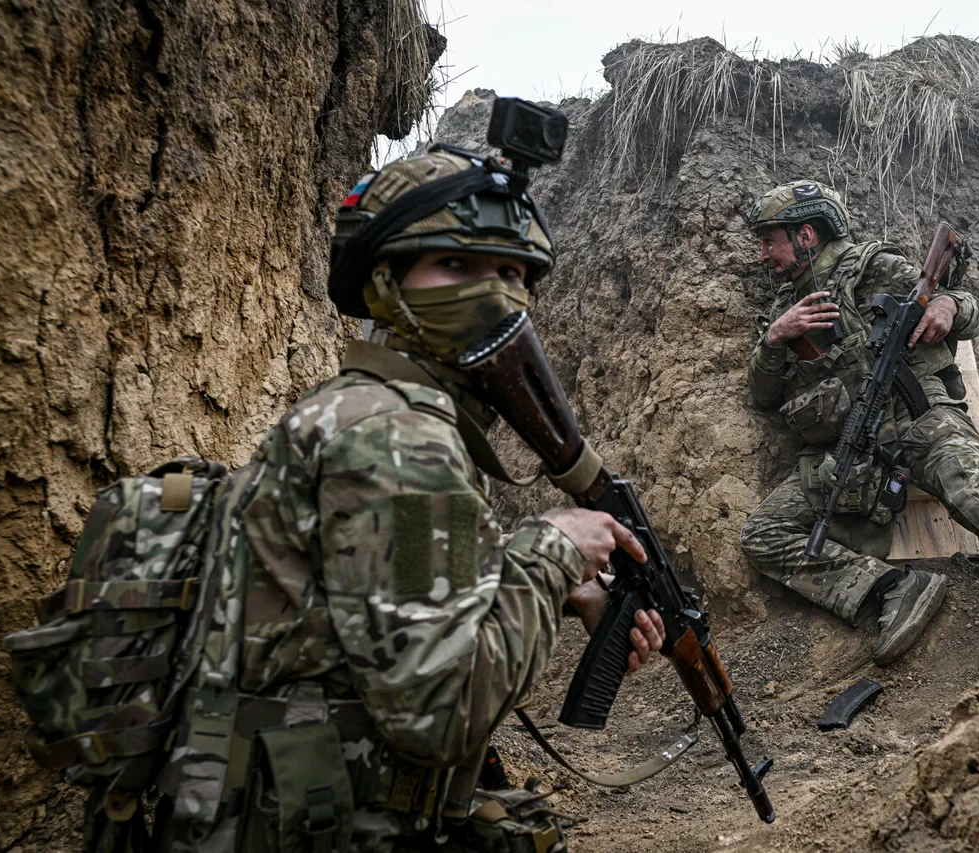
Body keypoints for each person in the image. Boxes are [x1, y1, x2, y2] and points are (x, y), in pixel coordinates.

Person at [156, 147, 665, 852]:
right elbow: (441, 711)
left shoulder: (377, 414)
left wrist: (557, 591)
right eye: (455, 266)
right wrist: (551, 550)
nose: (494, 297)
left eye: (512, 275)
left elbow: (389, 606)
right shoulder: (401, 442)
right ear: (386, 280)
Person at [739, 180, 979, 664]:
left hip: (921, 421)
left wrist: (948, 304)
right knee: (763, 534)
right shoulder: (784, 313)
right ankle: (895, 588)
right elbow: (763, 395)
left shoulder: (870, 267)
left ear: (806, 235)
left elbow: (970, 307)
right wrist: (773, 339)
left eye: (770, 240)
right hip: (856, 450)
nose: (763, 254)